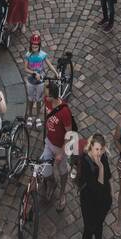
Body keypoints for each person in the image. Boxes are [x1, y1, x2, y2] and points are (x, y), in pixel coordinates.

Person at [79, 134, 113, 239]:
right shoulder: (86, 162)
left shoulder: (103, 157)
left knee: (99, 224)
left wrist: (111, 195)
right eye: (96, 149)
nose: (99, 153)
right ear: (91, 147)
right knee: (89, 230)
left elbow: (109, 178)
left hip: (103, 200)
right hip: (89, 202)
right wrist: (100, 167)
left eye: (101, 149)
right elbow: (97, 186)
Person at [42, 80, 73, 211]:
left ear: (53, 96)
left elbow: (69, 133)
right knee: (44, 170)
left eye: (47, 95)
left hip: (60, 147)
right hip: (49, 142)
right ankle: (52, 183)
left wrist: (61, 153)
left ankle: (62, 193)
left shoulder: (64, 112)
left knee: (63, 171)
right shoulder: (47, 101)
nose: (45, 96)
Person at [23, 33, 57, 128]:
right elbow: (25, 68)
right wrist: (34, 73)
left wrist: (55, 72)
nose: (34, 47)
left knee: (38, 99)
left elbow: (49, 64)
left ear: (39, 45)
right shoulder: (28, 55)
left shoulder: (42, 55)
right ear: (30, 45)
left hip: (40, 81)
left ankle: (37, 117)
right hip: (31, 81)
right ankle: (30, 115)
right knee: (30, 99)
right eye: (33, 45)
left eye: (36, 45)